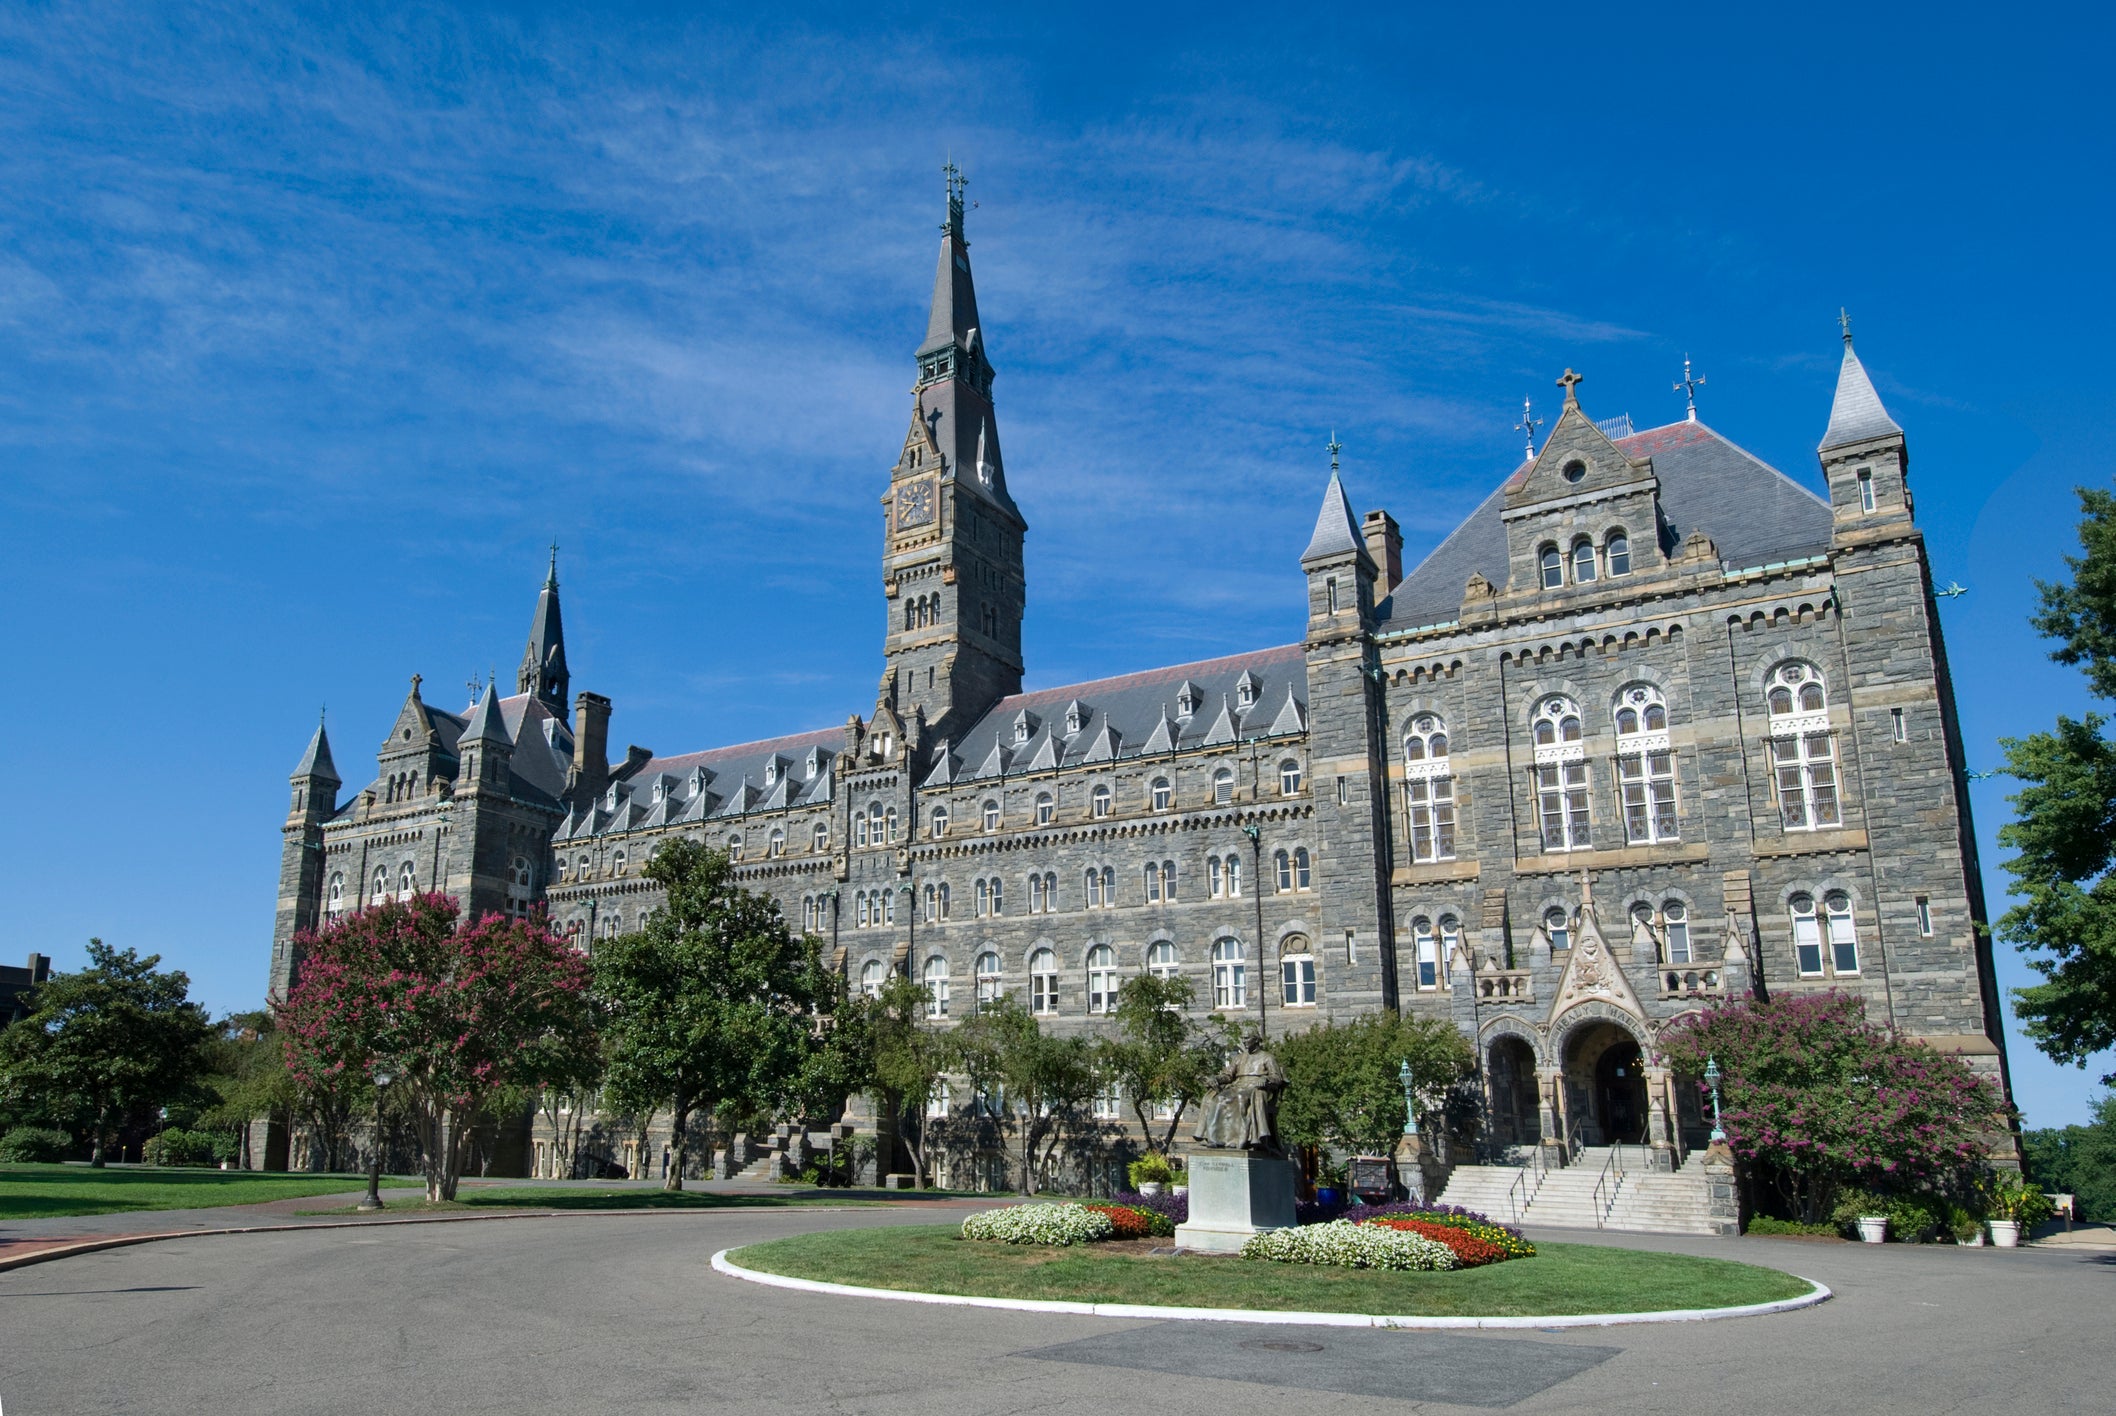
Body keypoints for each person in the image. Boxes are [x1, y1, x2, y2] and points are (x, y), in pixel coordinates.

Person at [1192, 1031, 1286, 1153]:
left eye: (1247, 1038)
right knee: (1219, 1099)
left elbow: (1277, 1078)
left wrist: (1265, 1079)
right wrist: (1216, 1079)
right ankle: (1215, 1139)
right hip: (1237, 1086)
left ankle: (1238, 1140)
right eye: (1242, 1038)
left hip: (1256, 1088)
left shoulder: (1267, 1057)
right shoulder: (1239, 1058)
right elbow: (1228, 1075)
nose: (1244, 1041)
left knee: (1241, 1098)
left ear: (1256, 1040)